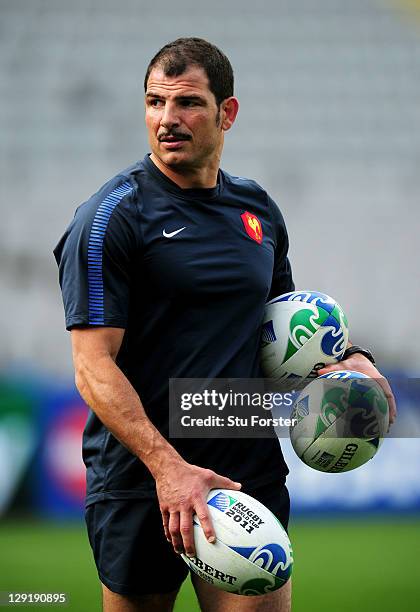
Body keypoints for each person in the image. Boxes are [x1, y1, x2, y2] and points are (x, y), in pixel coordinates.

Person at [54, 38, 396, 612]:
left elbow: (282, 326)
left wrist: (348, 357)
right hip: (144, 479)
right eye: (154, 102)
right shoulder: (110, 217)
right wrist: (169, 470)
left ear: (226, 113)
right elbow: (92, 367)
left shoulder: (256, 209)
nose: (167, 119)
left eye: (187, 103)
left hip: (245, 470)